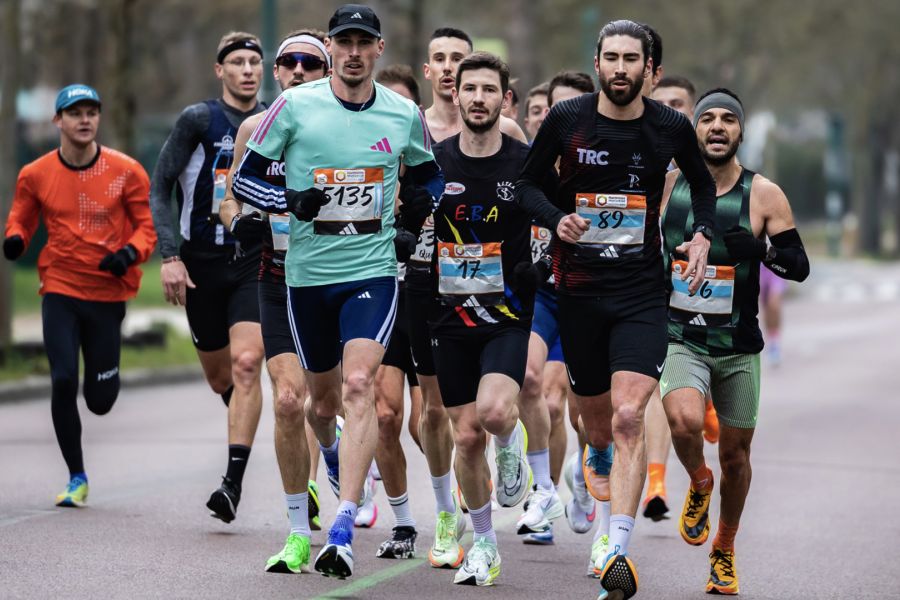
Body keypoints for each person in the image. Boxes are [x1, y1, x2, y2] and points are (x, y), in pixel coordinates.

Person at [232, 4, 443, 579]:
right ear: (332, 47)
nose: (353, 52)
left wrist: (410, 227)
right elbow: (247, 177)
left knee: (359, 385)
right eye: (344, 42)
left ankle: (341, 528)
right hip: (306, 278)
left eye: (363, 42)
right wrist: (290, 202)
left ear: (379, 49)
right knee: (317, 406)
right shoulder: (296, 105)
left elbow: (432, 177)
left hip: (371, 272)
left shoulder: (402, 113)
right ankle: (303, 520)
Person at [516, 19, 716, 600]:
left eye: (633, 59)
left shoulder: (670, 126)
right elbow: (526, 186)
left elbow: (702, 188)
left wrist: (701, 235)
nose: (621, 68)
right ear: (597, 62)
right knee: (596, 421)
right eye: (611, 58)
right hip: (577, 290)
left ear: (649, 69)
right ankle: (594, 455)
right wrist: (557, 220)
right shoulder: (567, 120)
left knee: (631, 416)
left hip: (640, 293)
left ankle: (616, 551)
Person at [660, 88, 809, 595]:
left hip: (739, 345)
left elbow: (800, 267)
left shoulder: (764, 194)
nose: (717, 127)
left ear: (741, 132)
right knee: (681, 419)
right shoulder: (670, 187)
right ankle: (698, 480)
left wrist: (762, 250)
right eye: (707, 119)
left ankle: (724, 545)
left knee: (737, 457)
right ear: (694, 129)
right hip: (680, 336)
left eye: (728, 119)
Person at [425, 51, 556, 586]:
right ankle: (483, 544)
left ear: (505, 100)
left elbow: (555, 225)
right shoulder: (431, 161)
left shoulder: (526, 163)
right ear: (456, 96)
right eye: (469, 90)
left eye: (489, 91)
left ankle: (514, 451)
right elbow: (408, 218)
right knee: (465, 437)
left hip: (505, 312)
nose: (478, 99)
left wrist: (540, 267)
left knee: (497, 414)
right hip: (447, 313)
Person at [3, 84, 156, 507]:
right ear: (58, 121)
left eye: (91, 112)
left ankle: (105, 379)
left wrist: (128, 253)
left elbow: (147, 228)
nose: (84, 120)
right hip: (61, 287)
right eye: (75, 113)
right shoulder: (34, 174)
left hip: (107, 293)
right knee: (63, 378)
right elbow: (21, 219)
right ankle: (76, 476)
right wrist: (15, 239)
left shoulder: (127, 171)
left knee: (101, 401)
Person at [217, 27, 330, 573]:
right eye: (290, 62)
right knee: (289, 400)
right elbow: (229, 202)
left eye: (312, 62)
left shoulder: (350, 127)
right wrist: (240, 223)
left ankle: (331, 454)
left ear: (327, 72)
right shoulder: (251, 130)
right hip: (276, 275)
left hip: (337, 275)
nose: (299, 71)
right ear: (277, 72)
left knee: (326, 403)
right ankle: (295, 530)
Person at [149, 31, 267, 524]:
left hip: (251, 260)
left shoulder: (274, 121)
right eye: (237, 62)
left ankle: (231, 484)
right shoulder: (199, 120)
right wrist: (170, 256)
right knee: (223, 377)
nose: (247, 70)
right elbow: (160, 188)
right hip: (200, 264)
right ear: (220, 71)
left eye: (255, 62)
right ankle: (246, 415)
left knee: (246, 364)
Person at [518, 69, 596, 547]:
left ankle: (585, 479)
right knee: (538, 390)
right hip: (542, 294)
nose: (560, 117)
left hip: (587, 295)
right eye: (552, 108)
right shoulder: (529, 165)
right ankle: (543, 494)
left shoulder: (602, 165)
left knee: (583, 416)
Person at [642, 73, 707, 523]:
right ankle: (657, 483)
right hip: (650, 298)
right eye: (660, 103)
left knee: (679, 397)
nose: (668, 111)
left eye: (678, 104)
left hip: (706, 309)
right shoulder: (638, 163)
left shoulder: (709, 173)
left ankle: (708, 400)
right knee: (653, 391)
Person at [423, 27, 528, 144]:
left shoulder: (506, 129)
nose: (447, 67)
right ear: (427, 70)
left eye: (457, 59)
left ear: (471, 65)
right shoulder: (414, 128)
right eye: (439, 59)